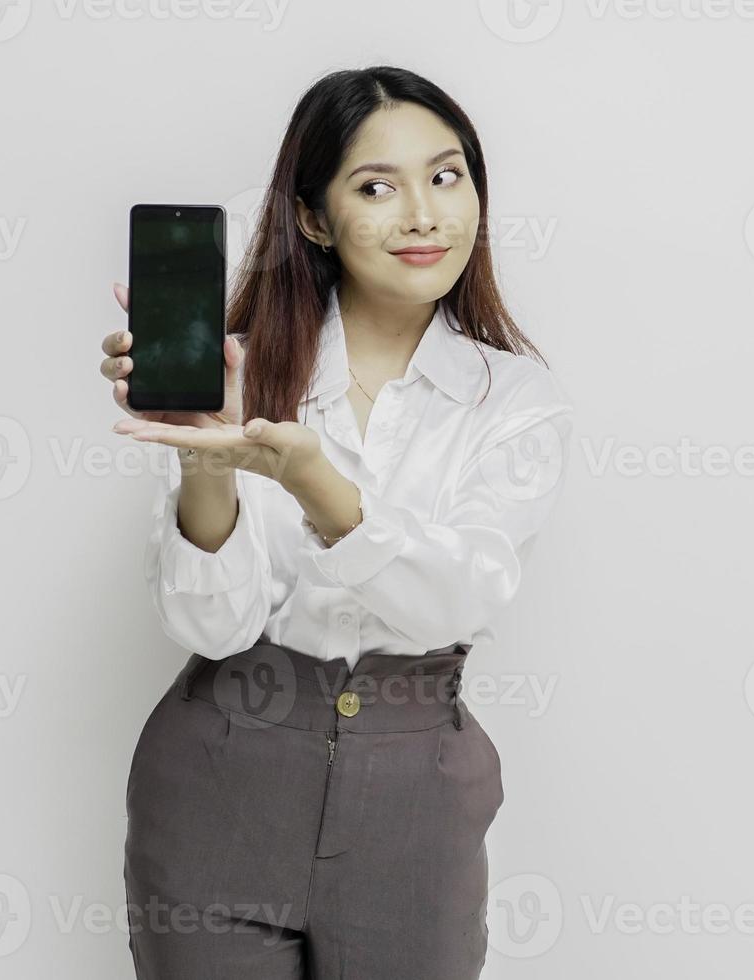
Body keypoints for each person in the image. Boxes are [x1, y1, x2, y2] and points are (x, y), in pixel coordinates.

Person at [100, 65, 574, 980]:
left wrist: (318, 483)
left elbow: (454, 598)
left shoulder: (514, 402)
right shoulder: (245, 376)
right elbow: (210, 625)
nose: (425, 215)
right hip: (217, 782)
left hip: (416, 803)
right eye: (376, 187)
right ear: (313, 218)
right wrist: (207, 456)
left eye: (447, 176)